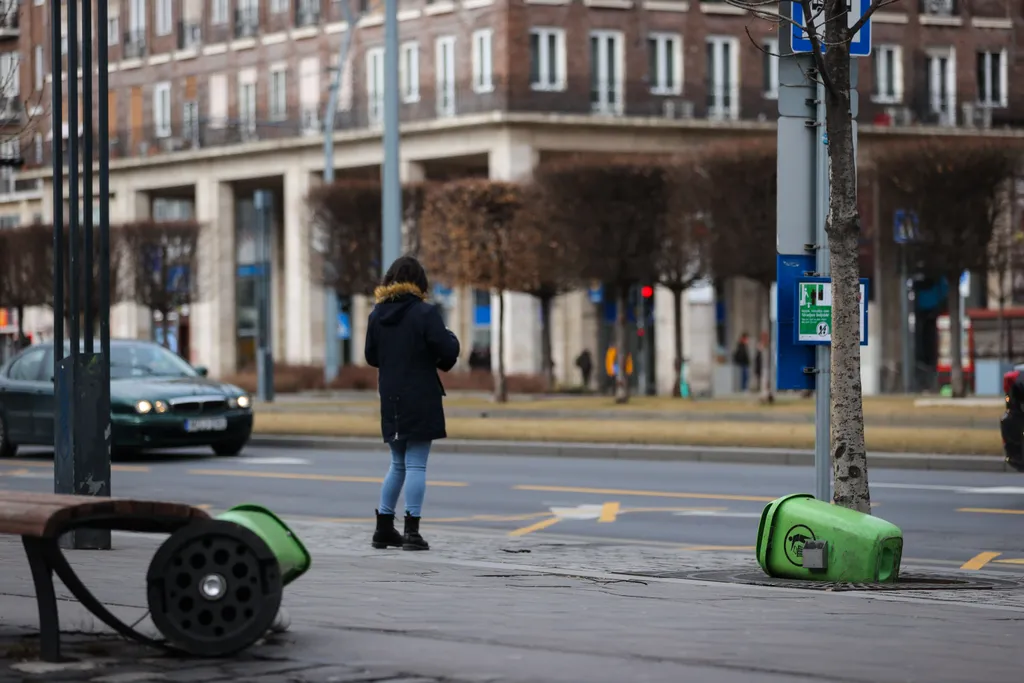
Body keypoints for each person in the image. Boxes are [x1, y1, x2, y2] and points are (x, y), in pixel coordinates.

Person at [364, 256, 461, 552]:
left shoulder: (376, 315)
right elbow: (446, 353)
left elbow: (371, 357)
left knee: (397, 463)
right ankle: (412, 531)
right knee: (416, 463)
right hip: (420, 395)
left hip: (390, 396)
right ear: (420, 284)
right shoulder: (425, 313)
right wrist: (451, 340)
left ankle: (383, 528)